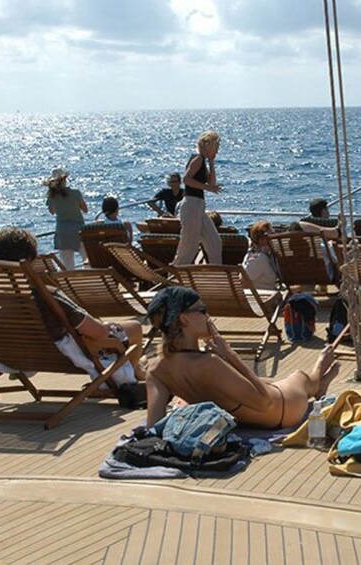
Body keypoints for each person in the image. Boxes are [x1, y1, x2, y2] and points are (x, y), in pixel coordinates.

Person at [144, 287, 341, 429]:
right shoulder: (209, 363)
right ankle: (319, 372)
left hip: (251, 413)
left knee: (272, 381)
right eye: (202, 311)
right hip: (284, 408)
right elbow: (265, 403)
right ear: (184, 319)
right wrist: (230, 355)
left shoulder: (156, 370)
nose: (208, 316)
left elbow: (154, 425)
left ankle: (319, 382)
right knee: (301, 378)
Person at [0, 227, 145, 386]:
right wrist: (104, 326)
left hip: (20, 357)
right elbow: (98, 333)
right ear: (31, 259)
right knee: (135, 328)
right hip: (65, 355)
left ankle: (137, 371)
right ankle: (127, 384)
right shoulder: (45, 296)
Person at [174, 130, 223, 266]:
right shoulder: (198, 159)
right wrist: (208, 188)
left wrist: (212, 162)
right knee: (189, 248)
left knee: (214, 243)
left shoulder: (203, 161)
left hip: (198, 207)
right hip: (191, 205)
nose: (217, 151)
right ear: (209, 145)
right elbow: (186, 179)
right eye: (216, 148)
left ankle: (217, 276)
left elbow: (211, 183)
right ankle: (175, 275)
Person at [44, 167, 87, 269]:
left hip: (63, 231)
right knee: (87, 258)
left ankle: (71, 283)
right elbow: (85, 209)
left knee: (67, 264)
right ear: (65, 179)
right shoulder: (75, 193)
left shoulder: (52, 196)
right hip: (79, 229)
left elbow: (52, 211)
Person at [242, 220, 280, 290]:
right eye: (272, 235)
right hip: (265, 296)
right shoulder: (259, 258)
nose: (275, 237)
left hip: (267, 293)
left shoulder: (268, 255)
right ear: (262, 240)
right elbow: (243, 281)